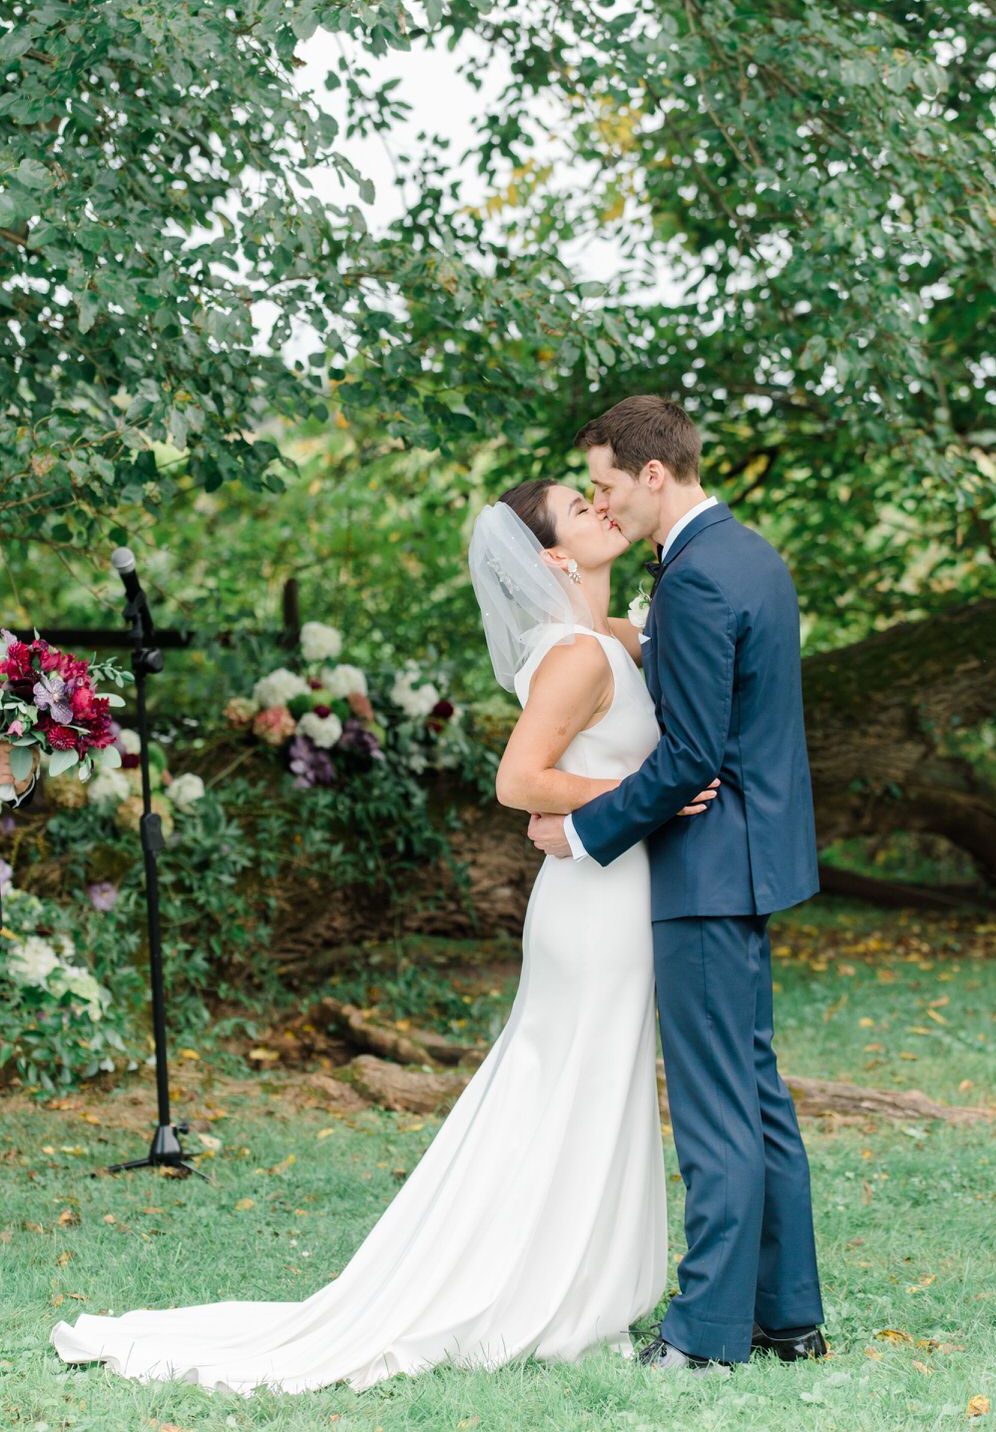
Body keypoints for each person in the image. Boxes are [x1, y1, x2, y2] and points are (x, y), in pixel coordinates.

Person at [49, 477, 716, 1396]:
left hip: (607, 891)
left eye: (600, 498)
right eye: (581, 508)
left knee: (586, 1087)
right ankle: (544, 1294)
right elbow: (519, 783)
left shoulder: (615, 642)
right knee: (574, 1084)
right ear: (555, 556)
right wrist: (651, 800)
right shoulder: (576, 657)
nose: (605, 508)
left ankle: (573, 1282)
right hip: (595, 907)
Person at [529, 395, 827, 1371]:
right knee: (753, 1092)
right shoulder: (749, 556)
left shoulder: (696, 579)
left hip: (705, 867)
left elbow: (691, 754)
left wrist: (579, 827)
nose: (604, 505)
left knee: (713, 1110)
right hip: (753, 853)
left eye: (609, 486)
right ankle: (785, 1315)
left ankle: (702, 1335)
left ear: (654, 474)